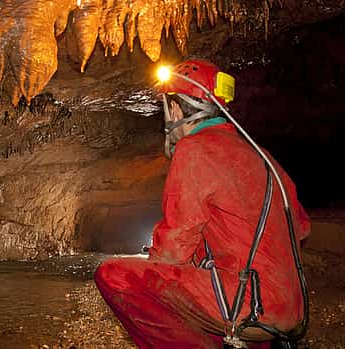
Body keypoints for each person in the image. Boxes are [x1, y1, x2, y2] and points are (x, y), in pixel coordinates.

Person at [94, 59, 311, 349]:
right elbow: (301, 229)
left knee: (114, 275)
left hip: (250, 306)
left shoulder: (195, 149)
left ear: (175, 109)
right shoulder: (263, 156)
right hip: (292, 310)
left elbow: (173, 250)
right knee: (203, 267)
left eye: (166, 108)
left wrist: (155, 261)